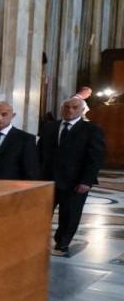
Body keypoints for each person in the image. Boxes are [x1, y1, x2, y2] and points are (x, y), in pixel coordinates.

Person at [39, 95, 106, 253]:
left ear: (82, 110)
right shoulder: (50, 127)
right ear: (62, 109)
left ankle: (62, 242)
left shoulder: (92, 130)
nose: (70, 110)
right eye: (67, 107)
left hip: (75, 181)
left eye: (75, 107)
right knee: (41, 212)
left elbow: (95, 158)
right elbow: (40, 152)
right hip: (48, 179)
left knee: (69, 215)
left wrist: (86, 181)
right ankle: (38, 238)